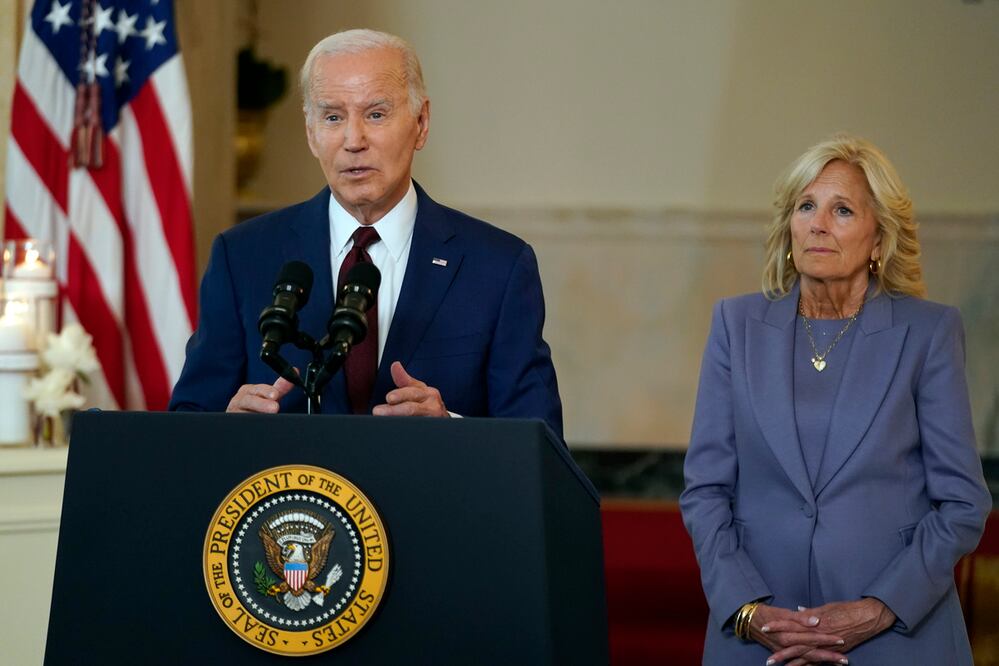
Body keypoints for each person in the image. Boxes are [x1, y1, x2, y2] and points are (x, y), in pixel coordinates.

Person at [680, 135, 991, 665]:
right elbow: (705, 490)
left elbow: (963, 504)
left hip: (895, 639)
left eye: (842, 209)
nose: (818, 223)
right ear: (788, 230)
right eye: (806, 206)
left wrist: (878, 609)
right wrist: (749, 611)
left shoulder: (929, 332)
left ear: (878, 239)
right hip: (760, 639)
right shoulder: (736, 326)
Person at [169, 29, 563, 439]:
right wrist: (224, 428)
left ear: (421, 123)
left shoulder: (497, 267)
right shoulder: (243, 257)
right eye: (333, 117)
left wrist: (451, 431)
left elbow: (541, 444)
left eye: (375, 114)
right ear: (310, 133)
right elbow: (185, 427)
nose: (353, 141)